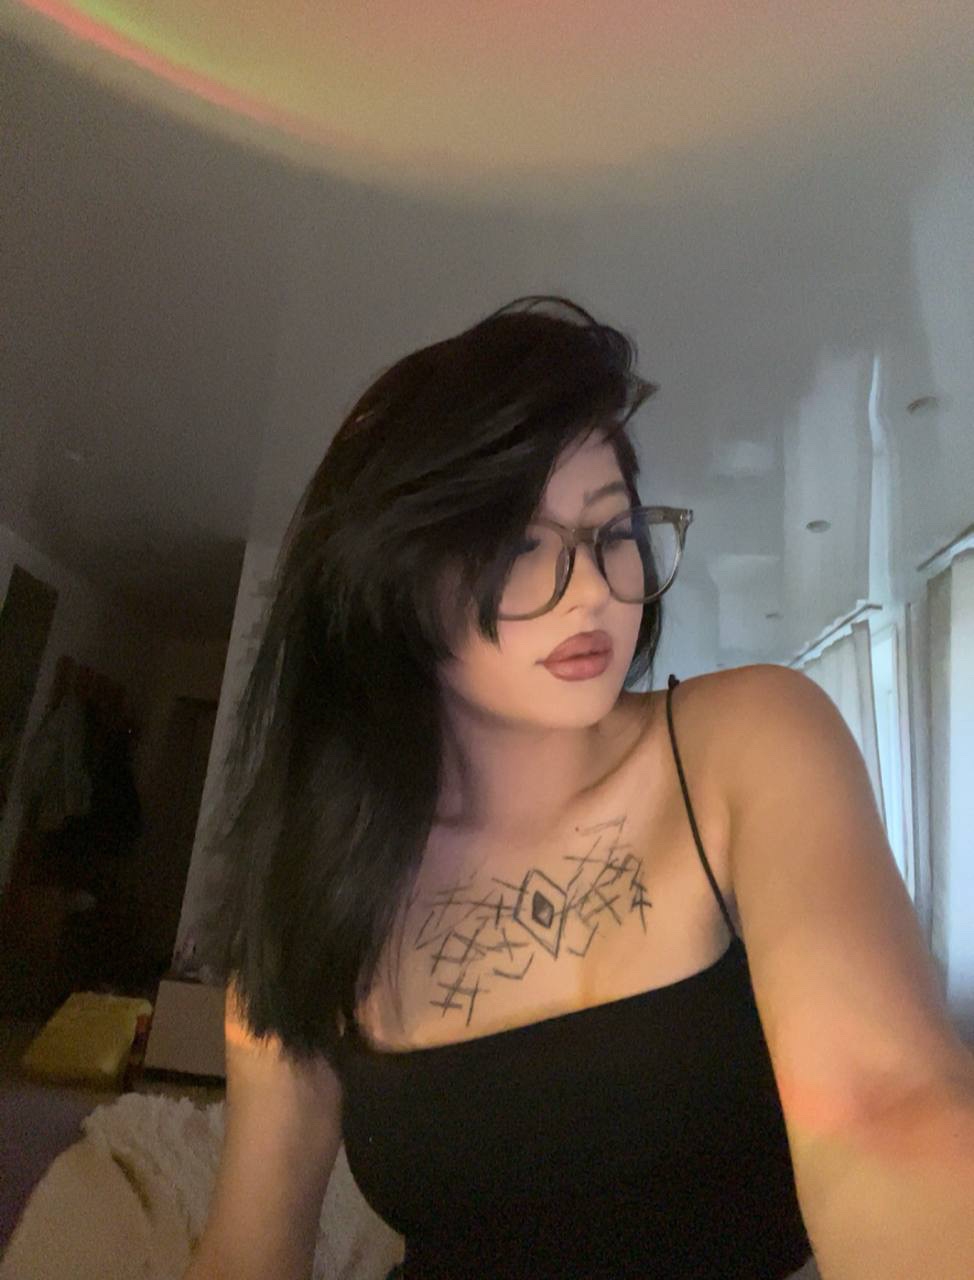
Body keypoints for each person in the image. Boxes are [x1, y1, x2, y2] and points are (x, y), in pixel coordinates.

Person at [186, 297, 974, 1280]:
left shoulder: (747, 742)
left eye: (610, 530)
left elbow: (884, 1109)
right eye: (519, 545)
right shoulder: (316, 886)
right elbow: (249, 1247)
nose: (593, 587)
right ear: (393, 578)